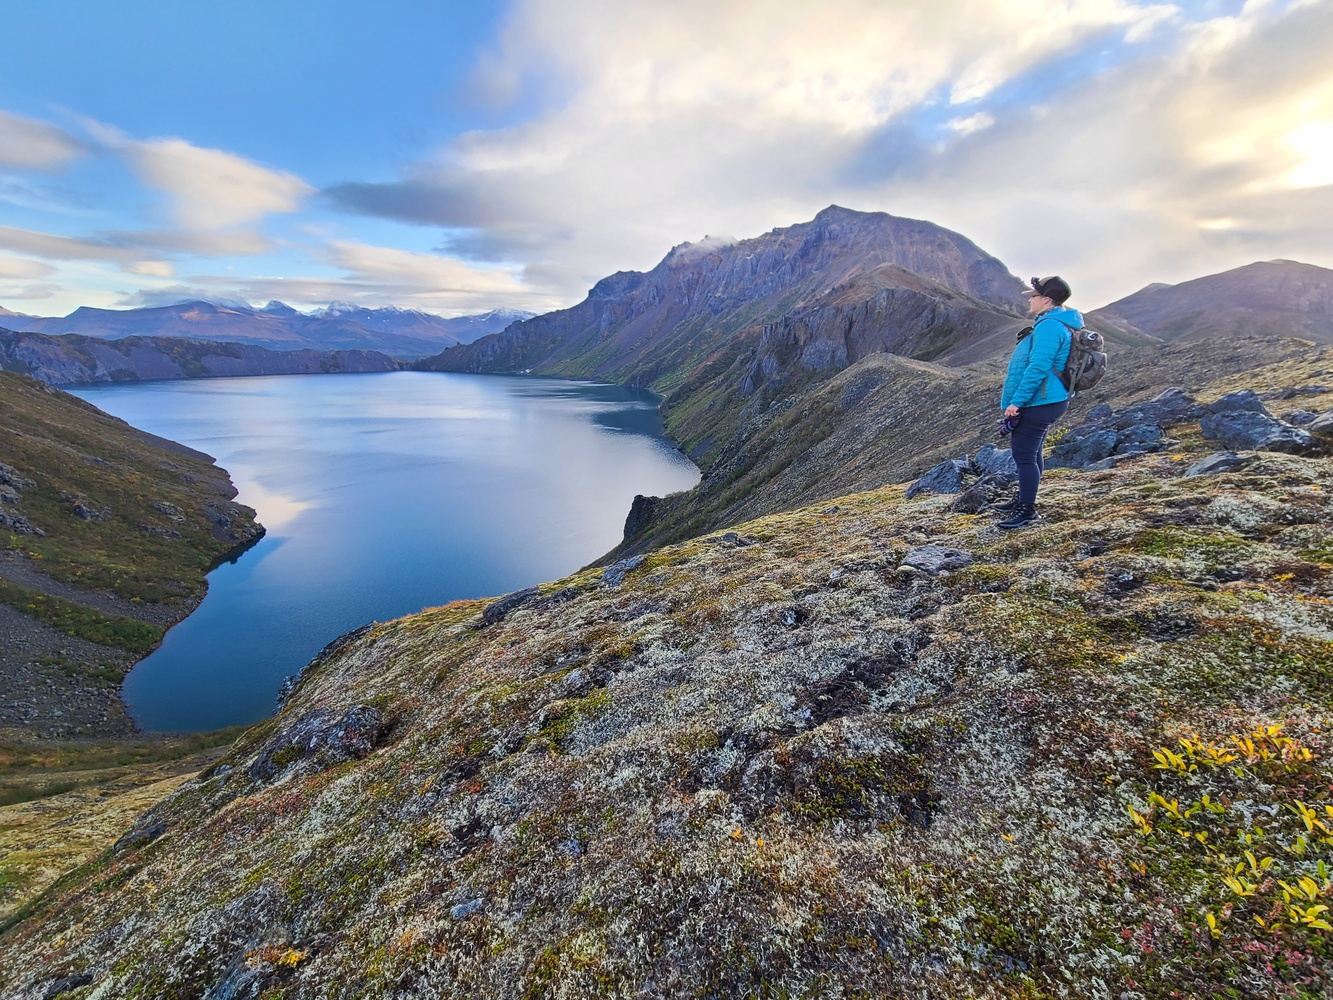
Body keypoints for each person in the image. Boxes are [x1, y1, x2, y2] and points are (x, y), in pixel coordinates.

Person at [992, 275, 1079, 529]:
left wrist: (1016, 402)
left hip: (1039, 402)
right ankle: (1023, 498)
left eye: (1033, 296)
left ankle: (1027, 511)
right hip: (1048, 400)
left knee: (1024, 456)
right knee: (1034, 452)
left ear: (1047, 300)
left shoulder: (1050, 327)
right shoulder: (1052, 322)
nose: (1029, 299)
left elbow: (1038, 367)